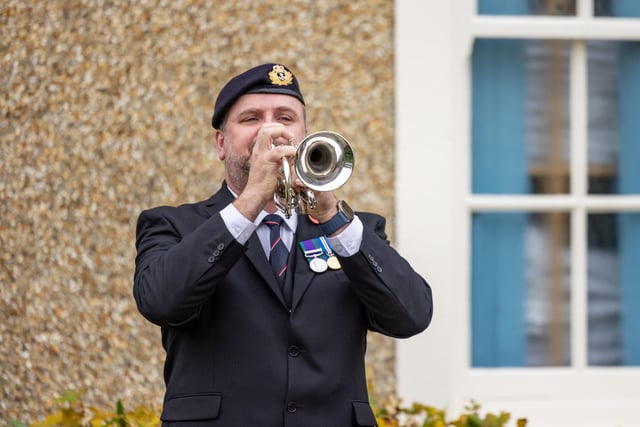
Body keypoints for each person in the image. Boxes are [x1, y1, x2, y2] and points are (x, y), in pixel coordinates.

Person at [133, 63, 433, 426]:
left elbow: (411, 316)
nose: (271, 131)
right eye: (251, 118)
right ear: (221, 143)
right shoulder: (174, 225)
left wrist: (332, 215)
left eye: (285, 117)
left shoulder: (354, 230)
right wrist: (250, 201)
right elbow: (160, 301)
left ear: (304, 135)